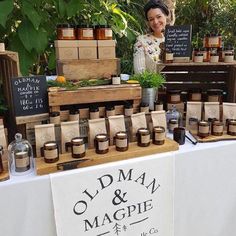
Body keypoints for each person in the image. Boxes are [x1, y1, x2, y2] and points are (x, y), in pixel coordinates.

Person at [133, 0, 169, 74]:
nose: (155, 22)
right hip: (152, 85)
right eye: (151, 19)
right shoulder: (141, 41)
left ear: (166, 16)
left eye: (159, 17)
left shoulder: (178, 39)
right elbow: (140, 74)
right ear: (148, 22)